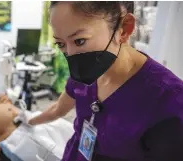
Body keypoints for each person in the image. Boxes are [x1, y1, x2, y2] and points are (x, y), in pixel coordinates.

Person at [25, 1, 183, 161]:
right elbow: (58, 108)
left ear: (124, 28)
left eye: (79, 41)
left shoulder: (169, 101)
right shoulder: (85, 72)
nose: (70, 54)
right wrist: (26, 120)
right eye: (60, 43)